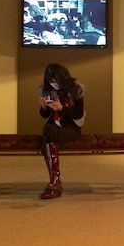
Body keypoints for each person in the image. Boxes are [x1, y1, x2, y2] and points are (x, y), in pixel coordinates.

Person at [36, 63, 86, 199]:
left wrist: (62, 109)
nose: (54, 84)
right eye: (51, 81)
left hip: (71, 125)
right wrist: (44, 108)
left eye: (56, 81)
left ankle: (54, 183)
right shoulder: (45, 90)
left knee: (50, 139)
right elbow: (45, 116)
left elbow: (78, 114)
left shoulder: (76, 89)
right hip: (54, 123)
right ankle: (55, 181)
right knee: (48, 131)